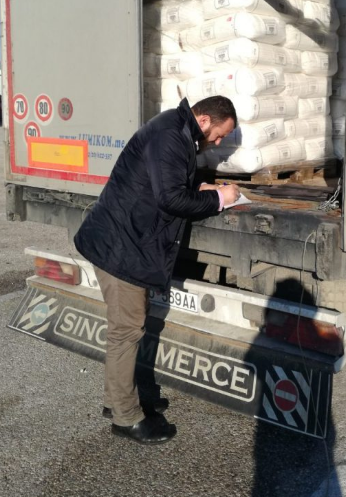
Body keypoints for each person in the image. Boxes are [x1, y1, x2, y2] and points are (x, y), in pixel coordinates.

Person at [74, 96, 239, 445]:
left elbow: (164, 183)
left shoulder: (176, 130)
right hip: (121, 247)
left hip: (124, 240)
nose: (219, 142)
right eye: (220, 134)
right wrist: (219, 200)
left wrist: (200, 188)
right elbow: (170, 199)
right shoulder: (171, 136)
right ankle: (126, 418)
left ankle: (117, 401)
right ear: (205, 120)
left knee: (124, 328)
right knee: (127, 331)